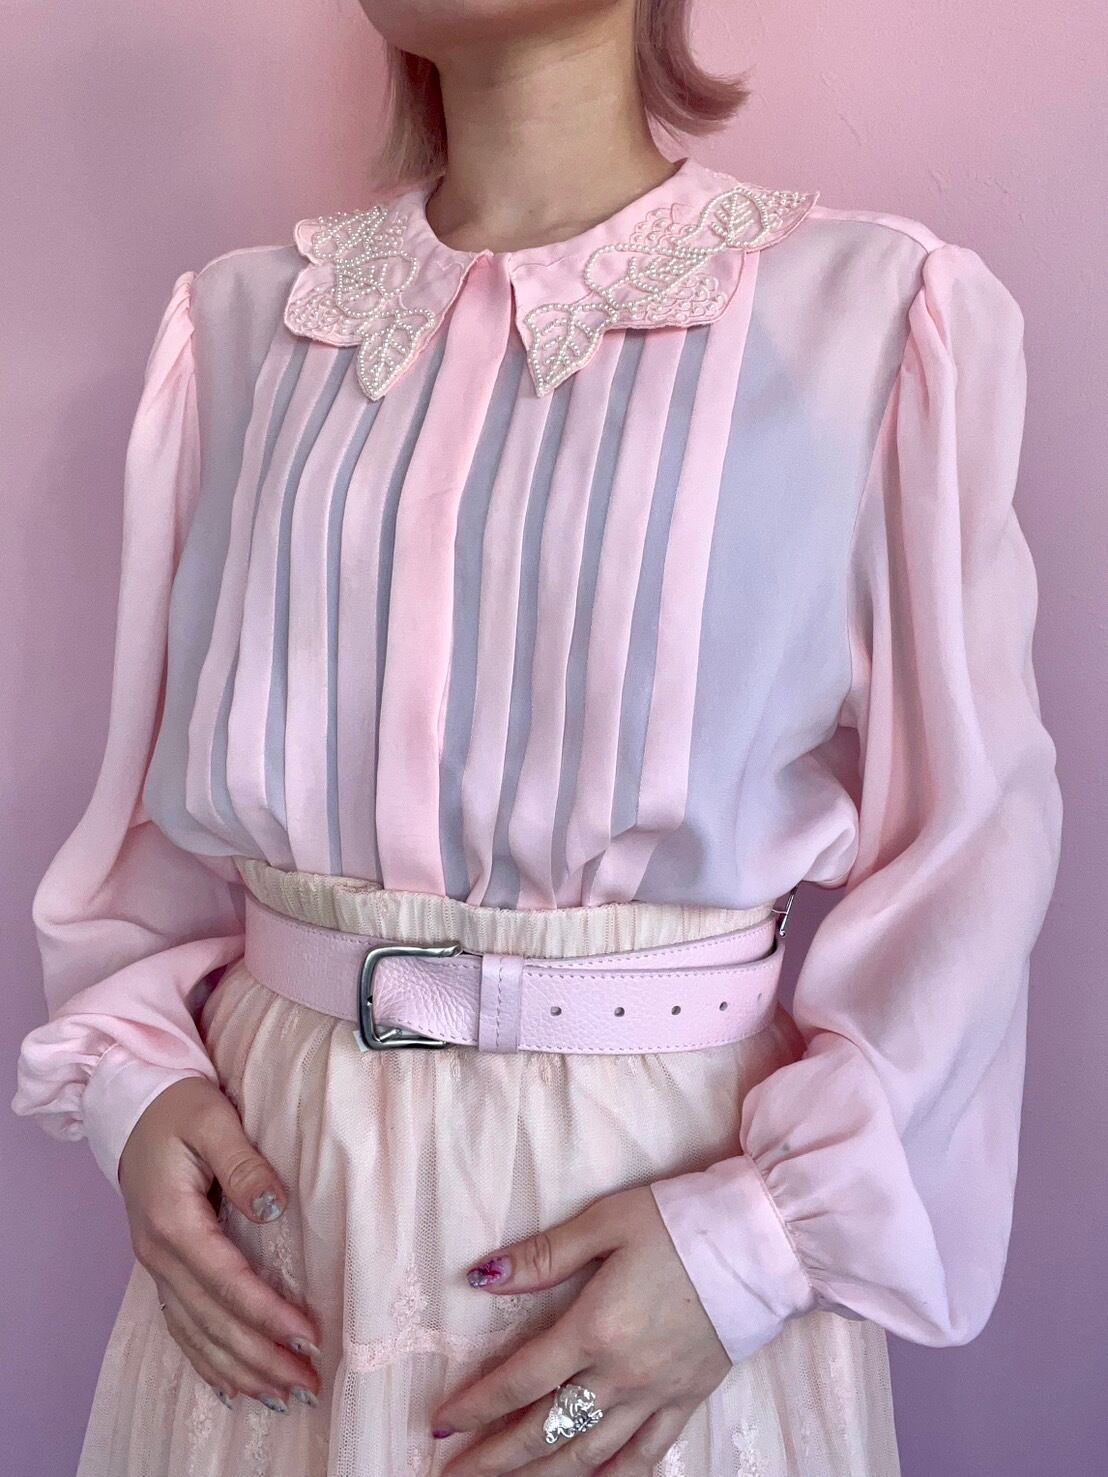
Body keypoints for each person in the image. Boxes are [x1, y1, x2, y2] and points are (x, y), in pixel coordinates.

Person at [11, 1, 1064, 1474]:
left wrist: (755, 1244)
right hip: (272, 1250)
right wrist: (135, 1084)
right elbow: (162, 826)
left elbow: (972, 851)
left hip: (652, 1227)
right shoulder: (246, 330)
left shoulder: (872, 318)